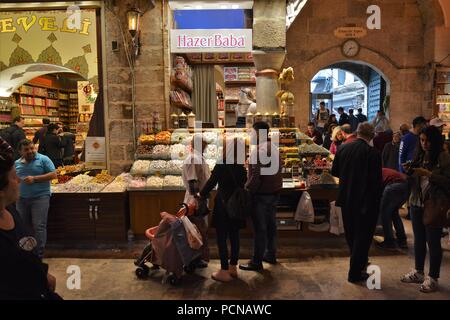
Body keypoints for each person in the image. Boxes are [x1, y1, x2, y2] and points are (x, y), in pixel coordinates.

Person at [0, 151, 61, 300]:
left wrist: (43, 273)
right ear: (1, 191)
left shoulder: (11, 210)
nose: (19, 181)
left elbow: (27, 249)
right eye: (14, 177)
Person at [400, 126, 450, 293]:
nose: (424, 144)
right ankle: (419, 271)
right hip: (416, 202)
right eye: (421, 140)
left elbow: (447, 181)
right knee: (419, 240)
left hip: (434, 204)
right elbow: (413, 179)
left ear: (435, 141)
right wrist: (409, 170)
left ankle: (433, 277)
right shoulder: (419, 154)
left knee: (433, 243)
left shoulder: (443, 157)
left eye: (427, 141)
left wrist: (428, 174)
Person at [331, 122, 382, 283]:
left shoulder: (343, 148)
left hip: (346, 199)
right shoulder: (372, 153)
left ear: (357, 133)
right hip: (365, 202)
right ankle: (355, 272)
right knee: (363, 237)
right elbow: (376, 182)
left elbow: (335, 172)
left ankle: (358, 265)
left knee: (351, 234)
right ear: (372, 135)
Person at [199, 138, 247, 282]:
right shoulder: (241, 167)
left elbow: (211, 183)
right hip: (237, 205)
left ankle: (224, 270)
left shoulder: (221, 165)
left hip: (223, 205)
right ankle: (233, 267)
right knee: (235, 236)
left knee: (221, 237)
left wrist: (201, 194)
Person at [240, 121, 282, 271]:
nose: (251, 135)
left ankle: (256, 262)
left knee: (260, 229)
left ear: (258, 134)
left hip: (261, 195)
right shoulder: (274, 148)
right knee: (271, 226)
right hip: (274, 193)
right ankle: (271, 254)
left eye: (253, 132)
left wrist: (247, 189)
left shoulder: (259, 151)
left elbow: (256, 177)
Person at [14, 139, 57, 259]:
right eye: (26, 149)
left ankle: (38, 254)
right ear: (20, 151)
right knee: (24, 226)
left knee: (39, 226)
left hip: (40, 198)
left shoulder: (43, 159)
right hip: (21, 199)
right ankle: (28, 252)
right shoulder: (17, 163)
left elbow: (54, 175)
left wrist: (35, 179)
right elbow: (14, 179)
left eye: (32, 148)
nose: (30, 151)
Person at [182, 134, 211, 268]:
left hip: (200, 197)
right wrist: (198, 199)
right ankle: (194, 258)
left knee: (199, 229)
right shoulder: (193, 158)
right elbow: (192, 180)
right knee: (195, 230)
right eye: (205, 144)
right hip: (195, 199)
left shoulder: (198, 157)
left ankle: (197, 257)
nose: (207, 146)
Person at [376, 168, 409, 249]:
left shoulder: (375, 173)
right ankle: (402, 241)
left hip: (393, 187)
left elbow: (376, 190)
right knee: (394, 213)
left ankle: (389, 242)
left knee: (385, 215)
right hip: (406, 187)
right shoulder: (383, 170)